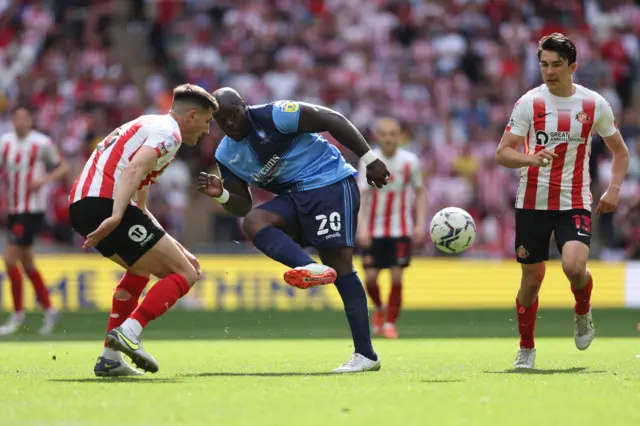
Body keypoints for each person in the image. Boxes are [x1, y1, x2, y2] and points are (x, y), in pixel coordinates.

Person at [198, 88, 390, 373]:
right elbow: (242, 205)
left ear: (244, 107)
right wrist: (222, 195)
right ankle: (308, 267)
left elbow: (331, 118)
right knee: (253, 221)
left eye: (234, 115)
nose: (230, 123)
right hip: (294, 198)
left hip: (330, 184)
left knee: (339, 264)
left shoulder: (275, 115)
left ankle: (366, 355)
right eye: (221, 120)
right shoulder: (226, 154)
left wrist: (370, 159)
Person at [496, 33, 629, 369]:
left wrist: (613, 189)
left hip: (574, 200)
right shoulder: (529, 103)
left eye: (556, 64)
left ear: (573, 66)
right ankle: (526, 347)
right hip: (531, 203)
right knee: (532, 280)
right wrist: (529, 159)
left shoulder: (594, 104)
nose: (549, 71)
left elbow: (620, 152)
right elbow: (503, 153)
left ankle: (582, 310)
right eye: (544, 64)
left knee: (573, 266)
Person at [68, 84, 217, 376]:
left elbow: (142, 204)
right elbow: (133, 170)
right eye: (207, 120)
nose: (208, 130)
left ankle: (110, 359)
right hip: (104, 204)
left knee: (141, 270)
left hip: (82, 205)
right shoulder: (169, 133)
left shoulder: (149, 124)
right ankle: (129, 332)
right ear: (191, 115)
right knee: (186, 273)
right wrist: (115, 216)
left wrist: (175, 245)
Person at [0, 106, 69, 336]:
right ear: (13, 120)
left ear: (30, 120)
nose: (21, 122)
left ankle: (18, 313)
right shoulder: (5, 143)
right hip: (14, 209)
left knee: (10, 259)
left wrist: (44, 180)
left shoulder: (42, 143)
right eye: (17, 117)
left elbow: (63, 167)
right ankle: (50, 310)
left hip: (32, 209)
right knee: (27, 263)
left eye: (25, 117)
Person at [356, 118, 427, 339]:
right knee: (369, 278)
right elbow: (362, 196)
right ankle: (379, 308)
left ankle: (390, 323)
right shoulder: (369, 161)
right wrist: (362, 228)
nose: (388, 138)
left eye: (393, 133)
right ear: (377, 136)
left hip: (401, 229)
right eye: (384, 134)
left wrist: (419, 224)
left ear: (400, 135)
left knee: (397, 276)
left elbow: (420, 192)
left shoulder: (410, 161)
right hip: (374, 230)